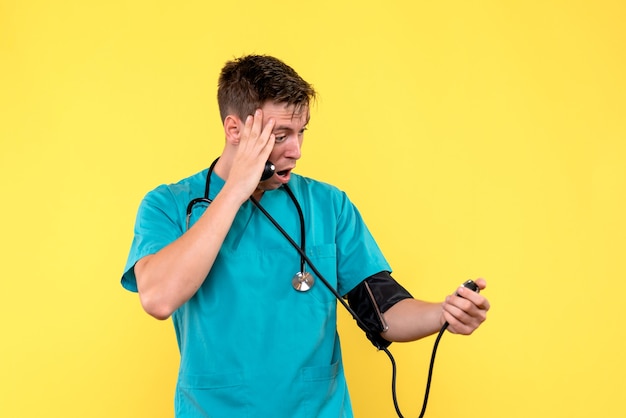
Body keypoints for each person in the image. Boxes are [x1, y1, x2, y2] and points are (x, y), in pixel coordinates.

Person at [121, 54, 490, 418]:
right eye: (280, 136)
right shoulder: (168, 205)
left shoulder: (329, 205)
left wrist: (444, 313)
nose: (296, 151)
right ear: (235, 130)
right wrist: (235, 191)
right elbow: (159, 298)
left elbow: (383, 312)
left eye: (301, 133)